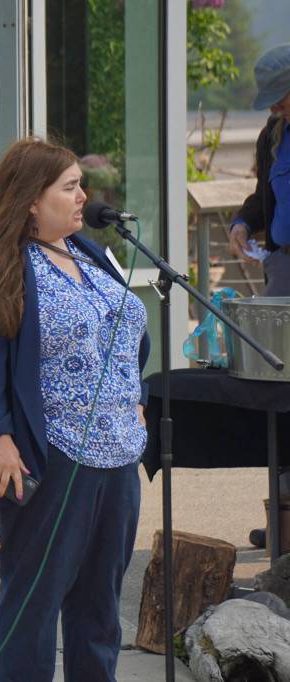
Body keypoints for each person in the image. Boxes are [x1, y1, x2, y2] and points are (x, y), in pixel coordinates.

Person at [0, 137, 150, 681]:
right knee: (34, 600)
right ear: (32, 199)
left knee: (100, 606)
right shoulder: (0, 265)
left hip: (118, 456)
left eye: (82, 185)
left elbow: (124, 334)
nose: (84, 197)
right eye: (70, 187)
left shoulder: (93, 253)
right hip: (51, 456)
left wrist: (138, 398)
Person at [225, 44, 290, 549]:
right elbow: (264, 195)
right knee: (280, 391)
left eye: (279, 98)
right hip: (282, 266)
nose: (272, 108)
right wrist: (244, 221)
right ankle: (284, 515)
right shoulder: (275, 133)